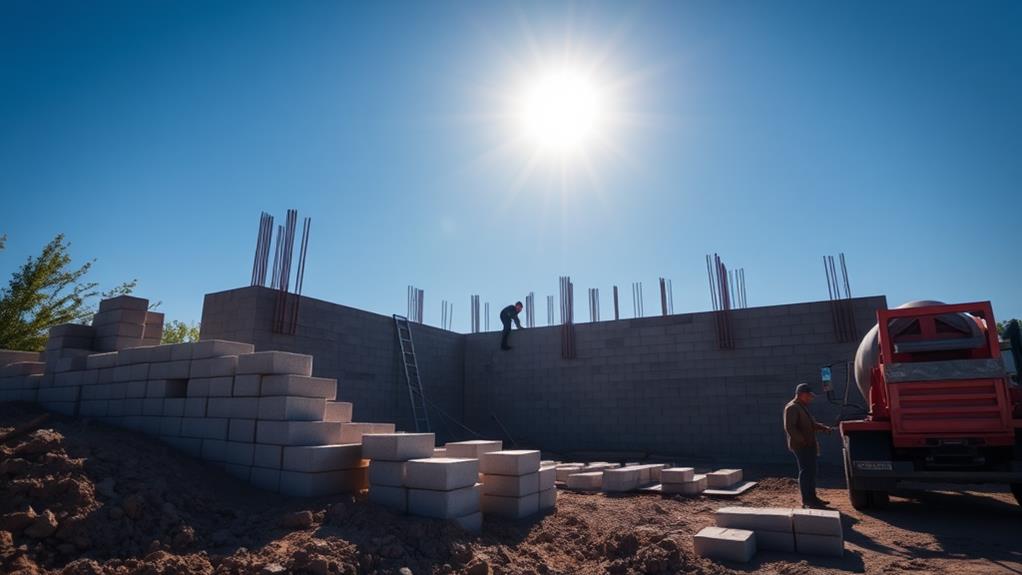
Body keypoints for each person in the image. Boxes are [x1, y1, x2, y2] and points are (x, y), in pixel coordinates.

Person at [783, 383, 833, 509]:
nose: (811, 398)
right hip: (801, 446)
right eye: (809, 396)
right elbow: (790, 428)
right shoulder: (792, 408)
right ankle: (807, 500)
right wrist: (803, 441)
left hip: (808, 444)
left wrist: (823, 428)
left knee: (811, 471)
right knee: (806, 472)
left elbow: (811, 424)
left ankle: (813, 497)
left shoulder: (801, 407)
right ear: (801, 395)